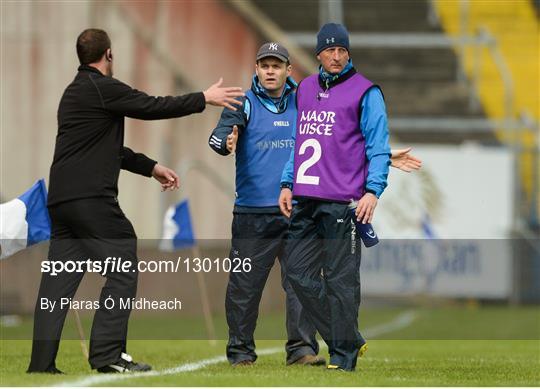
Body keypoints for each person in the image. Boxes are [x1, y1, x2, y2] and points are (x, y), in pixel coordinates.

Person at [27, 28, 243, 374]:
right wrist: (203, 98)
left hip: (63, 203)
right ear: (108, 55)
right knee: (124, 258)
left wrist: (151, 167)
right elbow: (152, 106)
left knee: (58, 281)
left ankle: (41, 364)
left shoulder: (73, 93)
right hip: (91, 200)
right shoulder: (105, 88)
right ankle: (108, 356)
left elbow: (108, 149)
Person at [211, 42, 421, 368]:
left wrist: (386, 156)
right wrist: (225, 141)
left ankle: (302, 350)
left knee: (301, 286)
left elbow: (338, 136)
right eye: (264, 65)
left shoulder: (306, 99)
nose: (270, 71)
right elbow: (221, 136)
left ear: (287, 70)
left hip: (299, 206)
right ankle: (240, 353)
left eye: (276, 66)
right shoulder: (244, 103)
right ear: (256, 69)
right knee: (244, 287)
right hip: (253, 212)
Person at [278, 23, 391, 372]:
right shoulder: (306, 88)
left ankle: (343, 359)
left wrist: (373, 190)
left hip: (342, 202)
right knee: (295, 271)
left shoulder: (366, 92)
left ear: (348, 52)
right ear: (319, 55)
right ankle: (348, 338)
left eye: (342, 50)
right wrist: (286, 182)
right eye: (330, 51)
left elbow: (378, 147)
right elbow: (299, 140)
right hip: (305, 199)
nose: (337, 56)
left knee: (341, 280)